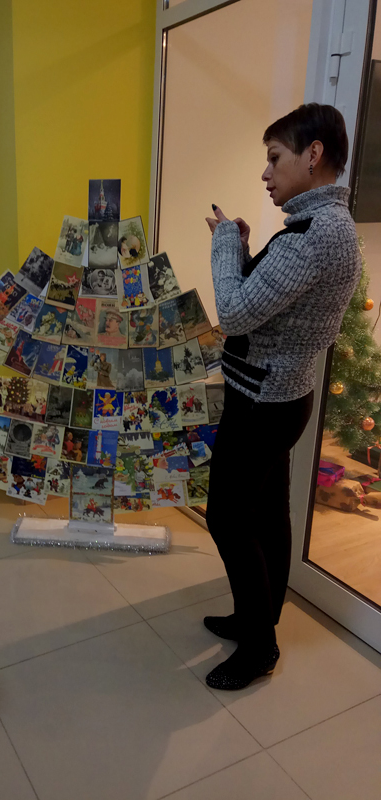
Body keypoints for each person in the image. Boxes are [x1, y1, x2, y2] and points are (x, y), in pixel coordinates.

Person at [204, 104, 361, 691]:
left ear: (313, 154)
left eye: (274, 158)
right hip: (281, 396)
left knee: (228, 517)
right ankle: (258, 618)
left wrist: (225, 245)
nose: (266, 174)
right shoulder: (328, 227)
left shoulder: (312, 235)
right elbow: (269, 305)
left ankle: (259, 646)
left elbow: (234, 312)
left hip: (262, 403)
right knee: (268, 511)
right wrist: (245, 253)